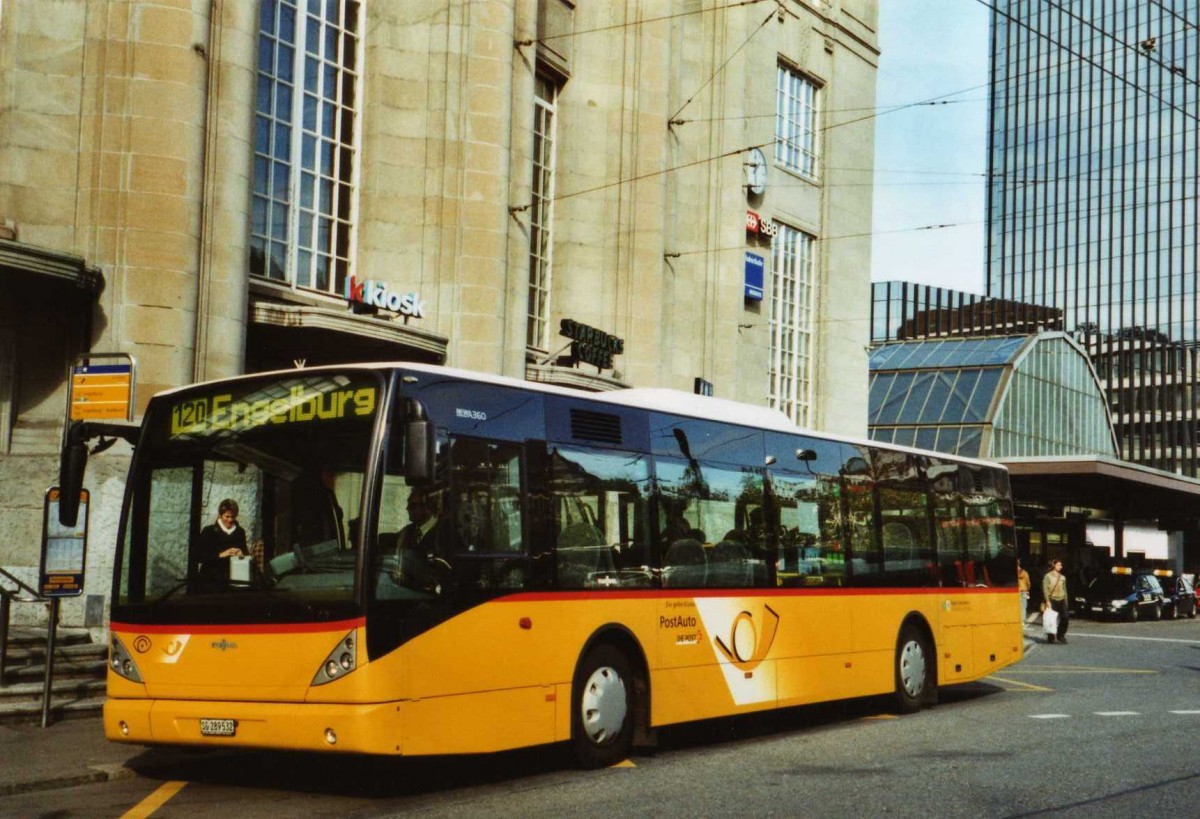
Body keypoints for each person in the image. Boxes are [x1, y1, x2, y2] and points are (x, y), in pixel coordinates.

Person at [196, 498, 247, 588]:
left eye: (233, 517)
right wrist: (221, 555)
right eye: (227, 516)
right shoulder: (209, 531)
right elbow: (199, 556)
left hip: (233, 580)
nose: (230, 520)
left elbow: (246, 556)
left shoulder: (240, 532)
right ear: (220, 515)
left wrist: (241, 555)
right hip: (211, 581)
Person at [1042, 558, 1069, 643]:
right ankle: (1051, 637)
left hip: (1061, 599)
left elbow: (1065, 590)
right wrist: (1047, 600)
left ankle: (1061, 635)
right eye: (1058, 565)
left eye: (1061, 565)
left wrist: (1066, 601)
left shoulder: (1062, 577)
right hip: (1052, 599)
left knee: (1065, 617)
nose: (1060, 567)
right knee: (1052, 619)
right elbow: (1045, 589)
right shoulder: (1047, 576)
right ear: (1053, 565)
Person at [1017, 559, 1032, 627]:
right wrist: (1027, 588)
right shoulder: (1025, 572)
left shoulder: (1011, 573)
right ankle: (1023, 621)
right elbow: (1028, 582)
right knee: (1024, 606)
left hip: (1016, 591)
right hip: (1025, 590)